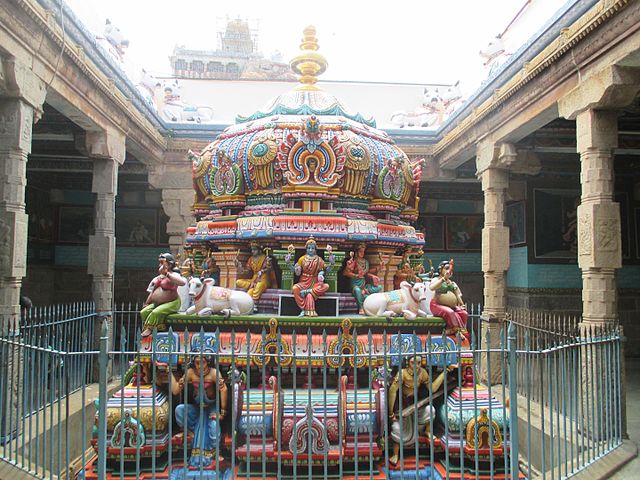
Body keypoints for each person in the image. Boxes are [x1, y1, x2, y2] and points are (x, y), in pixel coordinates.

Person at [388, 356, 455, 465]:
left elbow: (432, 389)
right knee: (396, 428)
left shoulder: (422, 373)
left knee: (430, 410)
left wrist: (446, 371)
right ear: (407, 363)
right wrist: (391, 413)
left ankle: (427, 431)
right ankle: (395, 454)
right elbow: (392, 391)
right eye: (413, 363)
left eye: (419, 363)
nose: (416, 366)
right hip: (402, 407)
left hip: (416, 406)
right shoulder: (402, 373)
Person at [172, 355, 228, 468]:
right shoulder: (190, 373)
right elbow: (176, 390)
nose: (200, 366)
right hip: (197, 408)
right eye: (197, 363)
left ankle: (216, 453)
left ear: (208, 362)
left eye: (203, 362)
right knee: (179, 410)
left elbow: (224, 389)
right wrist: (169, 372)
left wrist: (222, 413)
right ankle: (189, 432)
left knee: (213, 427)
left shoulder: (213, 373)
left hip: (211, 407)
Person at [140, 253, 186, 337]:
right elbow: (153, 291)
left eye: (162, 263)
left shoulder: (174, 275)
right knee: (144, 312)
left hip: (172, 302)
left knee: (155, 312)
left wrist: (167, 274)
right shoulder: (158, 278)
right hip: (157, 303)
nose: (160, 265)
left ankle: (150, 328)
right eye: (160, 263)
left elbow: (182, 283)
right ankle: (158, 326)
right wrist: (147, 302)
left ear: (169, 264)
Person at [289, 237, 332, 317]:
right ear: (306, 249)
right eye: (309, 248)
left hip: (315, 282)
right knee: (295, 288)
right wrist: (288, 263)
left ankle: (308, 291)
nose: (311, 250)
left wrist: (331, 263)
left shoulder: (319, 259)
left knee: (326, 286)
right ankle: (303, 309)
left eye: (312, 248)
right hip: (303, 281)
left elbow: (327, 270)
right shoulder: (302, 259)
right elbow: (297, 272)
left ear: (315, 249)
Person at [428, 259, 468, 336]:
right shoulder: (436, 279)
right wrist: (443, 279)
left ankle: (461, 329)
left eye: (450, 269)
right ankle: (455, 330)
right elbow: (432, 288)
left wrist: (462, 304)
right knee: (450, 312)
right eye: (446, 268)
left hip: (452, 306)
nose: (449, 271)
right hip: (436, 305)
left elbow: (458, 295)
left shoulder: (452, 283)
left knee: (463, 312)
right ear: (440, 270)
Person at [343, 243, 381, 315]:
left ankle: (367, 298)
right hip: (355, 284)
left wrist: (378, 269)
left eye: (363, 251)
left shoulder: (366, 262)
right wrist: (356, 275)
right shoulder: (353, 261)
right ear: (357, 252)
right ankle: (361, 307)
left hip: (364, 285)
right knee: (358, 291)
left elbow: (367, 273)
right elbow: (346, 273)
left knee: (379, 287)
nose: (362, 253)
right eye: (360, 251)